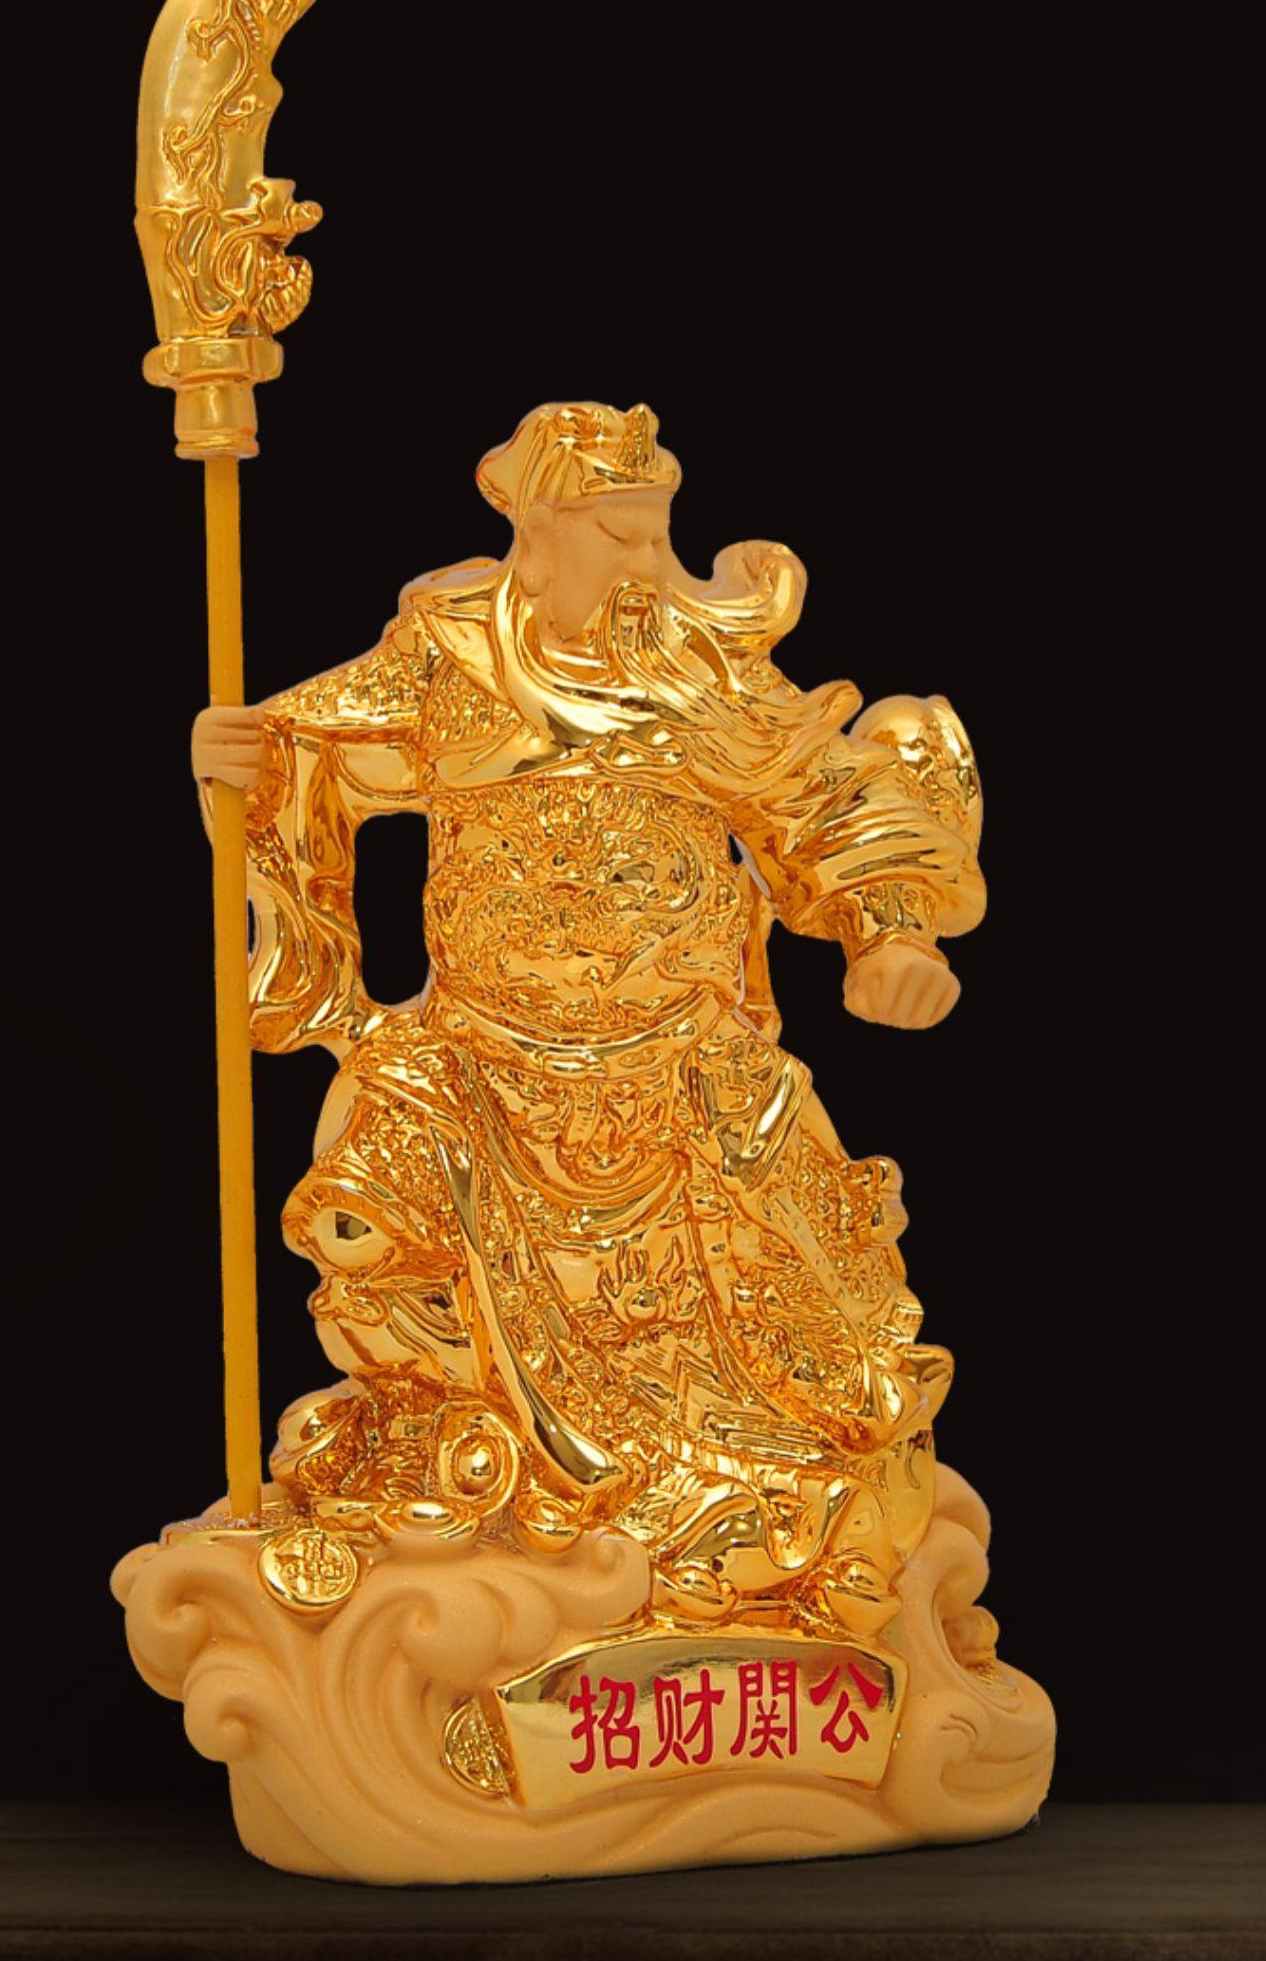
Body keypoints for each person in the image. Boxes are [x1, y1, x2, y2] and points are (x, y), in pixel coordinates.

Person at [191, 402, 984, 1630]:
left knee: (804, 1285)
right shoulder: (450, 653)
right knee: (367, 1207)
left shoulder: (697, 662)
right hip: (481, 1059)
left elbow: (821, 791)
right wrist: (241, 759)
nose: (649, 562)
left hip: (684, 1063)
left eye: (658, 532)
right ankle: (462, 1458)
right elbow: (315, 745)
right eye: (621, 534)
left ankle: (756, 1508)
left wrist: (891, 934)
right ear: (539, 526)